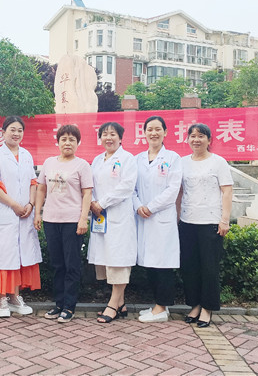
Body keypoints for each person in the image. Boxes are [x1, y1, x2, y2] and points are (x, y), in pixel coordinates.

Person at [0, 116, 41, 317]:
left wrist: (30, 204)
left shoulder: (26, 155)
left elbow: (33, 182)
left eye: (19, 130)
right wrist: (15, 205)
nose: (16, 134)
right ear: (3, 132)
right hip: (5, 213)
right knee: (3, 257)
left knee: (20, 256)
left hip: (25, 213)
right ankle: (2, 300)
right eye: (12, 130)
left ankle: (15, 298)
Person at [34, 124, 93, 323]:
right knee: (57, 265)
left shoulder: (82, 165)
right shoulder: (49, 163)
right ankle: (58, 304)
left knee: (72, 265)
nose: (68, 143)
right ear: (58, 142)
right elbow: (41, 189)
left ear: (78, 143)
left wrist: (83, 218)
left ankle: (69, 307)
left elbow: (87, 193)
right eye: (64, 139)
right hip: (51, 220)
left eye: (72, 140)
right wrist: (38, 213)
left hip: (72, 221)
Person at [177, 123, 233, 328]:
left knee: (209, 268)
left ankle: (207, 309)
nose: (196, 140)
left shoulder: (218, 162)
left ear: (209, 140)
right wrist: (177, 217)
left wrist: (224, 220)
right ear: (187, 139)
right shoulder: (182, 162)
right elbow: (179, 192)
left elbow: (227, 191)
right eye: (192, 136)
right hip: (187, 221)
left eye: (201, 136)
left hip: (210, 222)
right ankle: (195, 305)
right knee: (189, 267)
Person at [86, 122, 137, 324]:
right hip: (100, 217)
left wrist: (102, 203)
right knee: (106, 259)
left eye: (113, 134)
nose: (108, 137)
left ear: (121, 138)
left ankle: (113, 305)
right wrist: (92, 203)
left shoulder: (128, 159)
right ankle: (121, 303)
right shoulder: (97, 160)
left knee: (118, 260)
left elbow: (127, 187)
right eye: (105, 134)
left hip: (118, 216)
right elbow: (90, 184)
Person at [134, 116, 182, 323]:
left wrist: (151, 207)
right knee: (150, 263)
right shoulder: (137, 159)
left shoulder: (173, 158)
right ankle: (158, 305)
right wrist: (138, 206)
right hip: (143, 217)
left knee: (163, 264)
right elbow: (131, 188)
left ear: (165, 132)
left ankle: (162, 308)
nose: (153, 133)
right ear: (144, 133)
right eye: (149, 129)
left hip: (161, 217)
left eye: (158, 129)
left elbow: (173, 190)